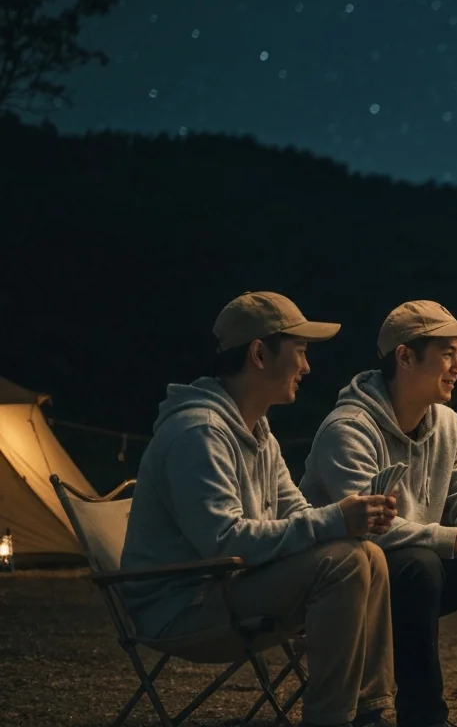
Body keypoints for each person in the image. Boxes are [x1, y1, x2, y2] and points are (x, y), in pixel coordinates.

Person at [120, 291, 399, 727]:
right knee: (343, 564)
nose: (307, 367)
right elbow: (223, 540)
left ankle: (371, 713)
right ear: (260, 353)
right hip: (182, 608)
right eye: (300, 351)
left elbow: (296, 512)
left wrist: (354, 520)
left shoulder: (258, 433)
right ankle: (331, 720)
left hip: (229, 588)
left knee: (371, 556)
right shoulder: (199, 434)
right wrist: (336, 520)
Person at [300, 300, 457, 727]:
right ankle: (424, 716)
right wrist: (456, 539)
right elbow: (368, 529)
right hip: (351, 585)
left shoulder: (447, 424)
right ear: (405, 356)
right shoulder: (349, 429)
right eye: (448, 354)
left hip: (421, 574)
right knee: (419, 564)